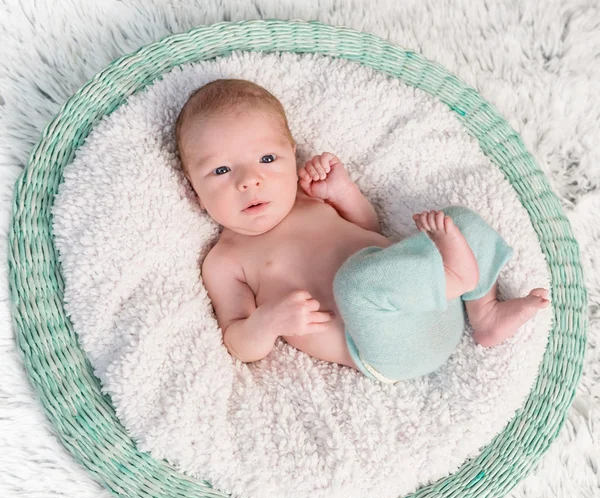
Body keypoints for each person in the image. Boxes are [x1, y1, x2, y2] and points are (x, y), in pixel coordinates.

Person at [175, 78, 550, 383]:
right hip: (387, 344)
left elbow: (370, 232)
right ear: (195, 190)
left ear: (293, 156)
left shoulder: (307, 199)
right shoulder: (225, 261)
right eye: (222, 171)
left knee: (455, 220)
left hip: (437, 307)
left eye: (268, 159)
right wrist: (268, 321)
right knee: (355, 280)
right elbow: (239, 342)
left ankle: (485, 314)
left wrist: (344, 192)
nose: (250, 180)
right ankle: (455, 278)